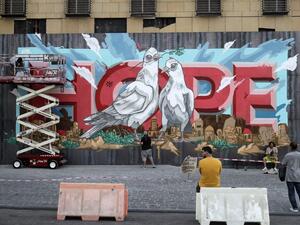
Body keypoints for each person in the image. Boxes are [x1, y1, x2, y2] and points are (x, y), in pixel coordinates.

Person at [282, 142, 300, 213]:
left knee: (291, 192)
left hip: (290, 176)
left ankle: (295, 208)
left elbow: (283, 164)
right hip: (299, 175)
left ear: (290, 147)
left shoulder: (288, 155)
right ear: (297, 147)